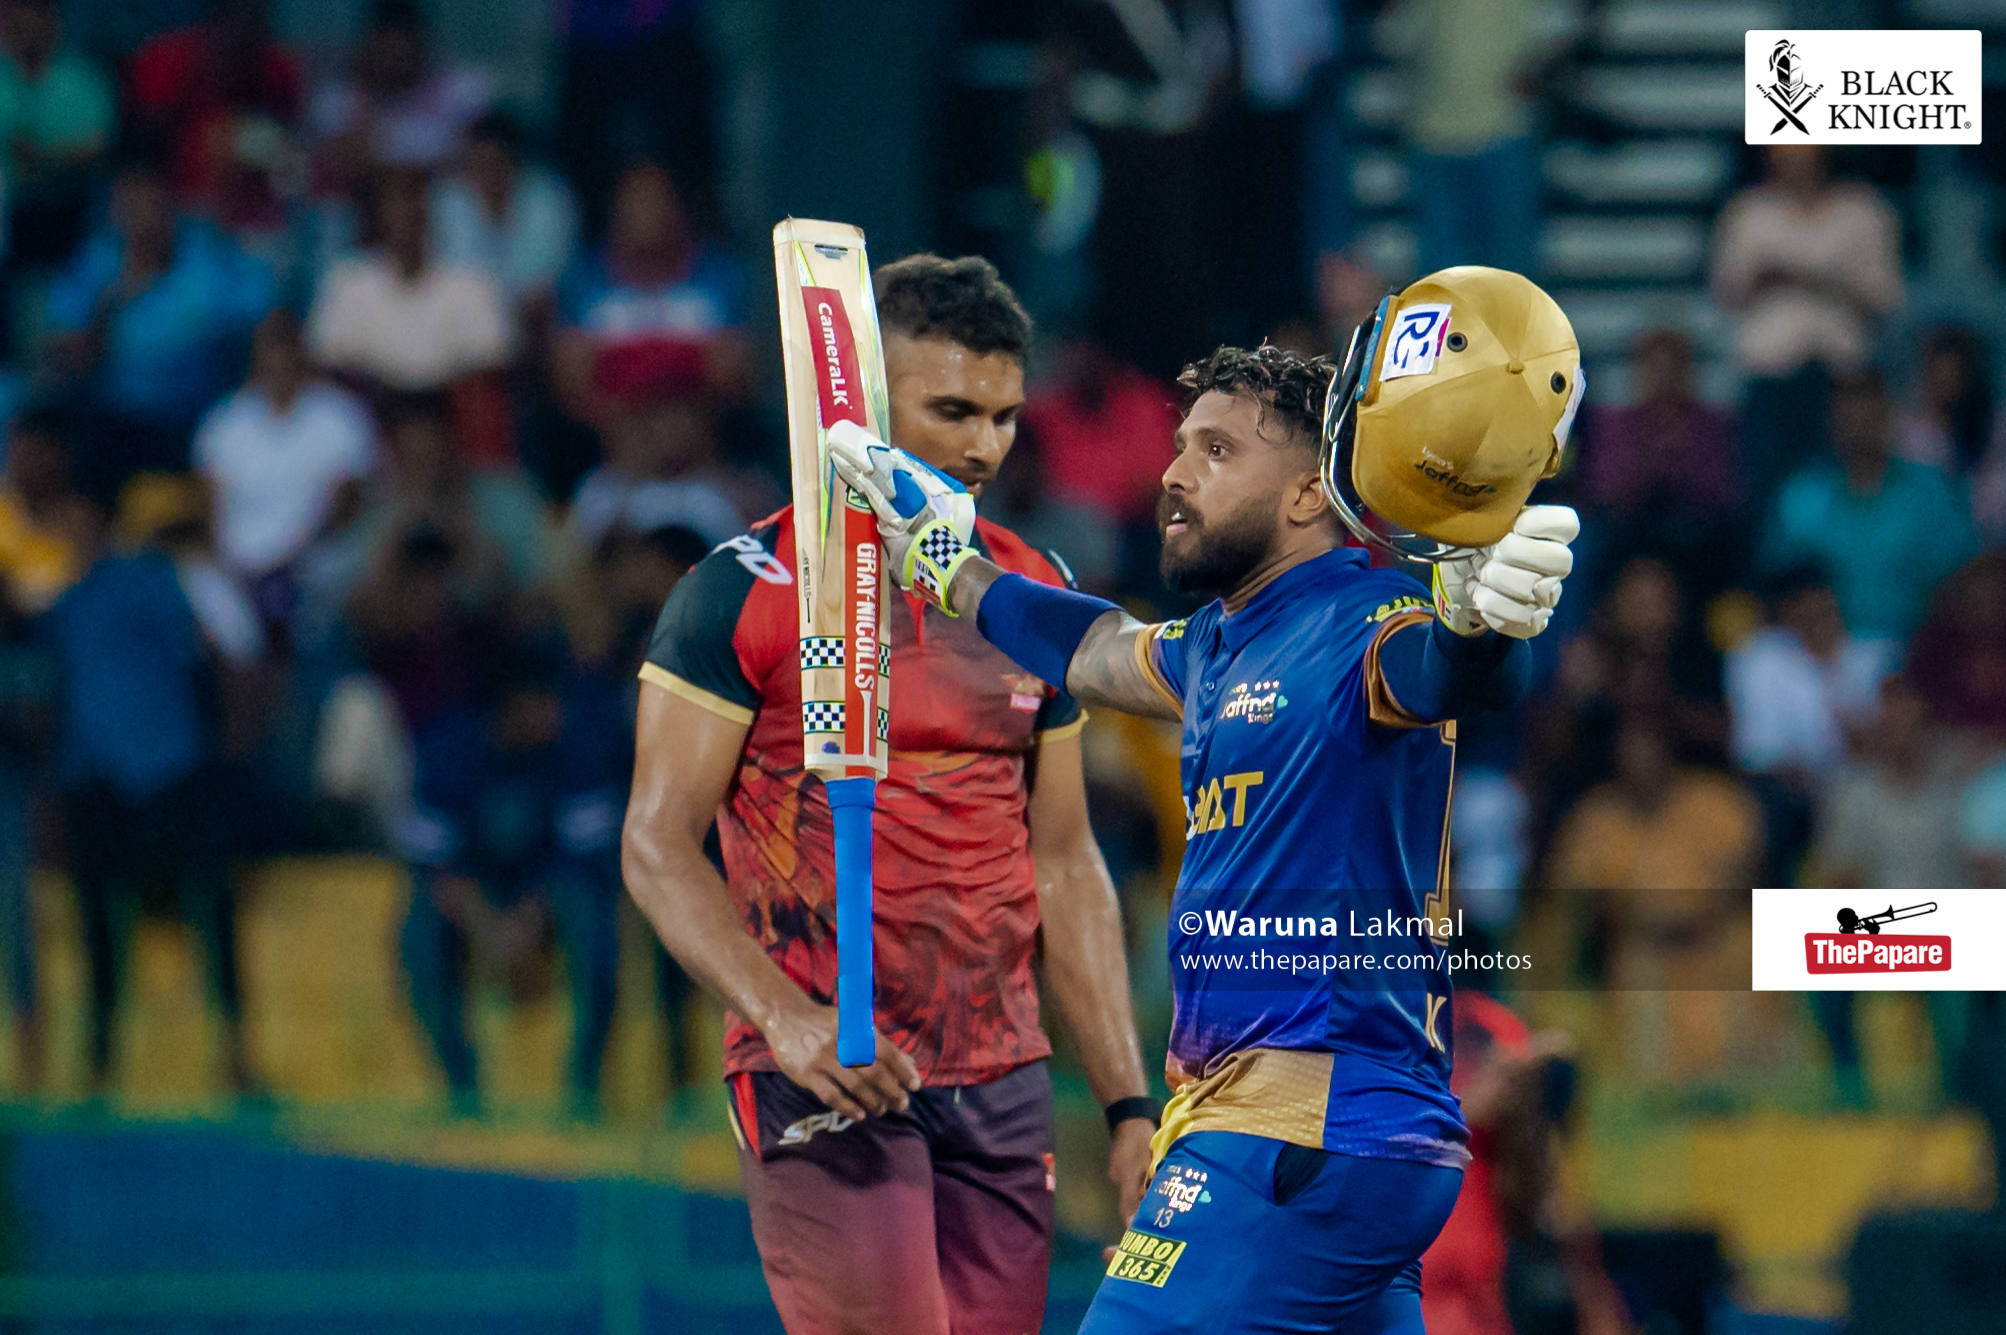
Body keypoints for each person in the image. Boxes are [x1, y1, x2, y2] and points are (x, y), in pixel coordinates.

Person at [828, 267, 1584, 1333]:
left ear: (1309, 495)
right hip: (1342, 1141)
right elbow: (1093, 649)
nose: (1174, 474)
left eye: (1217, 452)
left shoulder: (1366, 621)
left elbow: (1447, 674)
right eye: (1182, 444)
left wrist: (1484, 626)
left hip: (1300, 1129)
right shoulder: (1218, 643)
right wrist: (949, 562)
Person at [623, 255, 1155, 1335]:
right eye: (951, 410)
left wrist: (1129, 1107)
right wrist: (784, 1020)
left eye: (1004, 416)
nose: (984, 447)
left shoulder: (1030, 592)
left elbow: (1064, 858)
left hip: (1002, 1076)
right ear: (862, 408)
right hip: (828, 1065)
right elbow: (656, 844)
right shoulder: (742, 589)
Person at [47, 476, 252, 1092]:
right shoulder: (66, 604)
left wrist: (223, 744)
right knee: (99, 921)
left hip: (168, 764)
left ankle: (235, 1051)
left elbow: (209, 658)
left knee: (210, 904)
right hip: (95, 773)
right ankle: (101, 1060)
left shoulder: (154, 581)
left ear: (102, 521)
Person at [48, 151, 276, 503]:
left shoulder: (208, 256)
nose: (141, 215)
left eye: (149, 201)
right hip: (111, 420)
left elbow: (262, 322)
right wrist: (115, 299)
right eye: (129, 205)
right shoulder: (97, 262)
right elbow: (71, 361)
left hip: (193, 418)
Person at [1711, 144, 1903, 513]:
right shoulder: (1748, 212)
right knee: (1767, 494)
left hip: (1845, 380)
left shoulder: (1863, 210)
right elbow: (1727, 293)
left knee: (1847, 491)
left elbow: (1885, 299)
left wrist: (1804, 277)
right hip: (1770, 378)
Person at [194, 308, 376, 631]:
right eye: (269, 353)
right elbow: (210, 507)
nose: (278, 365)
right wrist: (234, 567)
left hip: (313, 563)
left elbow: (349, 503)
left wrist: (292, 557)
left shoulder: (341, 417)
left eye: (285, 352)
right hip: (240, 567)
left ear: (301, 355)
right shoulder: (225, 424)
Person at [1761, 369, 1974, 642]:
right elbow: (1778, 588)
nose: (1859, 429)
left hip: (1916, 649)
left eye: (1868, 416)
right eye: (1847, 418)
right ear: (1830, 422)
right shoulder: (1802, 498)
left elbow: (1961, 581)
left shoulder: (1931, 491)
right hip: (1827, 653)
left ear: (1887, 415)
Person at [1727, 563, 1897, 884]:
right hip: (1793, 792)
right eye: (1803, 609)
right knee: (1774, 807)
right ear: (1784, 613)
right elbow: (1757, 755)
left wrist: (1833, 670)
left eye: (1822, 607)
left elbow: (1885, 743)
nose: (1815, 618)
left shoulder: (1874, 655)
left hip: (1865, 782)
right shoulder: (1760, 658)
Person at [552, 160, 747, 430]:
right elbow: (571, 385)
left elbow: (737, 378)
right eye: (637, 201)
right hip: (616, 437)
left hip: (699, 433)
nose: (648, 213)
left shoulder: (718, 275)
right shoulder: (585, 279)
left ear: (678, 209)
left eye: (657, 201)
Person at [308, 0, 488, 180]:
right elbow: (344, 168)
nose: (394, 55)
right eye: (386, 44)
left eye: (402, 44)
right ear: (370, 44)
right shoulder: (339, 104)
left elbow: (477, 157)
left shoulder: (460, 92)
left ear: (419, 42)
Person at [430, 108, 579, 318]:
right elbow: (448, 278)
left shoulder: (548, 202)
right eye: (480, 165)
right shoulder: (447, 204)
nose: (490, 176)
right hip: (464, 318)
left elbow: (549, 280)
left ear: (516, 162)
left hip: (533, 318)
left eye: (497, 163)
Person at [0, 0, 114, 269]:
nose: (27, 34)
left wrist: (44, 157)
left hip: (68, 212)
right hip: (7, 213)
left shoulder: (82, 80)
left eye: (35, 24)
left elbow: (99, 144)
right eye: (19, 26)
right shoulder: (3, 80)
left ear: (52, 24)